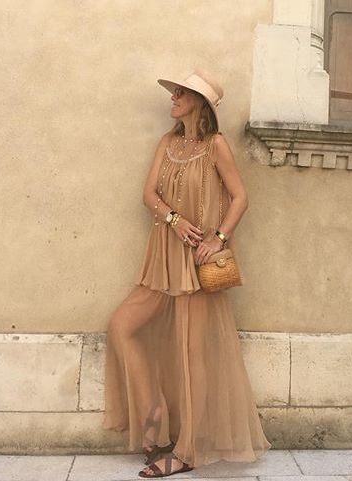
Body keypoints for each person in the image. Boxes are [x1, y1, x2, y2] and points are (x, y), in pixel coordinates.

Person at [102, 69, 272, 478]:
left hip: (196, 266)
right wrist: (174, 219)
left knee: (194, 358)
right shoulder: (167, 143)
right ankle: (155, 415)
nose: (173, 97)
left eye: (182, 92)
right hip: (162, 259)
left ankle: (189, 451)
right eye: (175, 91)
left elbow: (240, 197)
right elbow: (148, 195)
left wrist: (219, 238)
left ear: (200, 102)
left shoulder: (216, 146)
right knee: (122, 326)